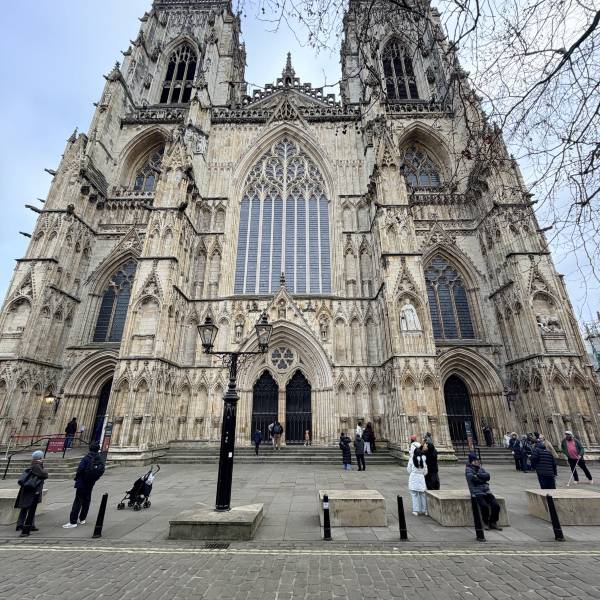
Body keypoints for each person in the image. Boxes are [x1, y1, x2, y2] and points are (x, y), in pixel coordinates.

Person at [63, 443, 105, 529]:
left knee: (78, 501)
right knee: (87, 500)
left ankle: (73, 522)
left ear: (90, 449)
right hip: (91, 482)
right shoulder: (100, 458)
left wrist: (77, 478)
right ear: (98, 449)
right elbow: (102, 470)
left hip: (82, 482)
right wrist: (95, 478)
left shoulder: (86, 458)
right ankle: (82, 519)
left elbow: (80, 469)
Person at [465, 453, 503, 531]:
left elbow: (488, 476)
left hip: (487, 491)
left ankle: (493, 522)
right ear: (471, 461)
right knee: (484, 506)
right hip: (477, 492)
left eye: (477, 460)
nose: (477, 462)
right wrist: (483, 478)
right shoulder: (468, 469)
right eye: (475, 460)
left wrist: (478, 475)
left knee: (496, 506)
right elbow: (474, 479)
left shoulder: (481, 468)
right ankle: (485, 522)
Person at [15, 450, 48, 537]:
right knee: (28, 507)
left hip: (29, 489)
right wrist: (45, 470)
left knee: (29, 508)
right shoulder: (37, 465)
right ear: (40, 457)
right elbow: (44, 475)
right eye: (42, 456)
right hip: (32, 489)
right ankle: (22, 525)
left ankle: (28, 525)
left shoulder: (35, 464)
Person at [407, 448, 428, 516]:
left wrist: (413, 473)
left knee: (414, 495)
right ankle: (424, 510)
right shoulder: (423, 460)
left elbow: (409, 469)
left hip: (413, 477)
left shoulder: (411, 459)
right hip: (421, 478)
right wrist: (421, 474)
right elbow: (425, 471)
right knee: (422, 494)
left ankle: (415, 510)